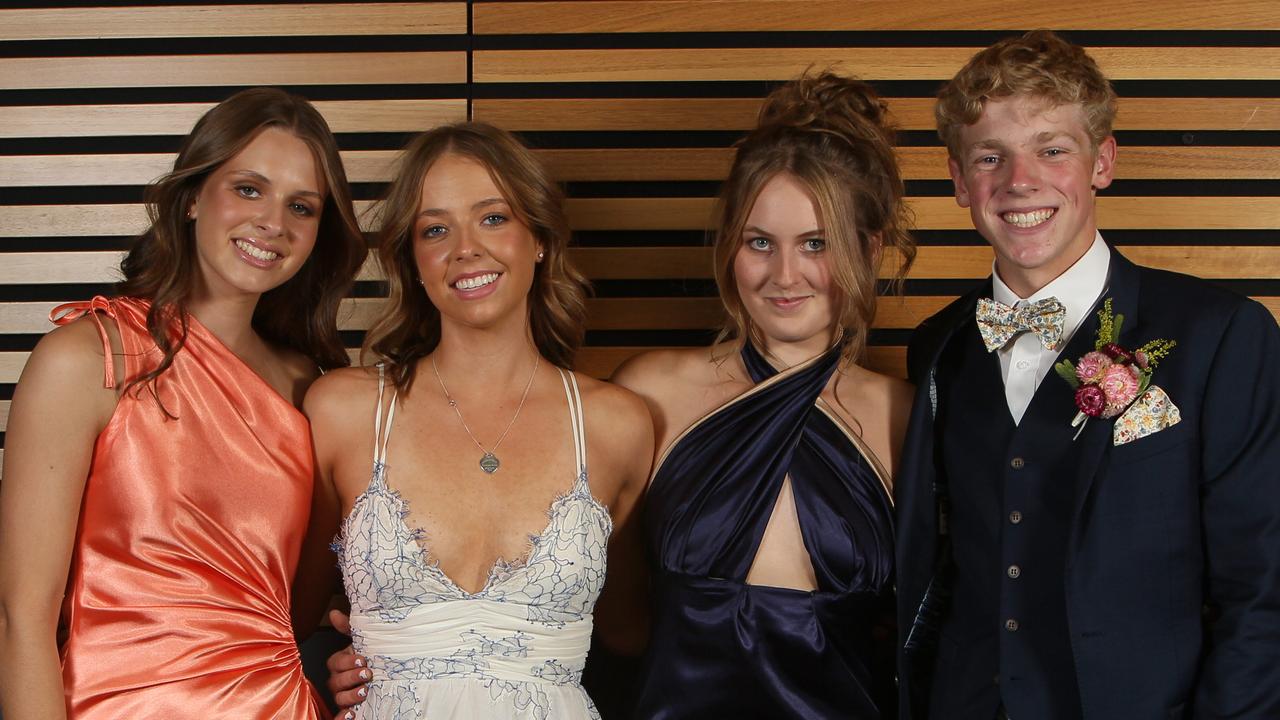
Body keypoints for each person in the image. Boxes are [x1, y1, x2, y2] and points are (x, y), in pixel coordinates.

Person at [895, 30, 1280, 719]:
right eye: (991, 156)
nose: (1019, 181)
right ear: (958, 180)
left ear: (1101, 161)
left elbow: (1265, 590)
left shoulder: (1221, 335)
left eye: (1051, 149)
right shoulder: (939, 348)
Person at [0, 87, 366, 718]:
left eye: (301, 206)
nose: (273, 222)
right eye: (249, 189)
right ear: (194, 197)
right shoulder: (88, 359)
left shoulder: (316, 389)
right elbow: (20, 621)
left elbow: (302, 609)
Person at [298, 121, 652, 719]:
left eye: (493, 217)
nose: (466, 248)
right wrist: (335, 651)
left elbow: (629, 633)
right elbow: (291, 614)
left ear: (538, 238)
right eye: (435, 229)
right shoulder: (344, 411)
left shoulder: (617, 424)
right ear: (412, 259)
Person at [612, 71, 915, 717]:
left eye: (816, 244)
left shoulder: (905, 414)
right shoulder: (649, 392)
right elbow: (602, 609)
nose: (785, 275)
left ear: (868, 248)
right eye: (760, 243)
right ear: (729, 247)